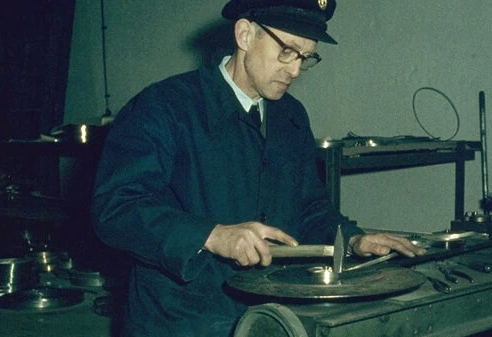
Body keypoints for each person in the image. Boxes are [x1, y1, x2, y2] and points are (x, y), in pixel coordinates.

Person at [91, 1, 426, 336]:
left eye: (306, 57)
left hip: (266, 319)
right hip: (180, 323)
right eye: (287, 51)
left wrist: (353, 240)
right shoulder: (164, 108)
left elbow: (309, 208)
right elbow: (116, 209)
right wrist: (212, 235)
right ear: (245, 34)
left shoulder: (291, 117)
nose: (294, 70)